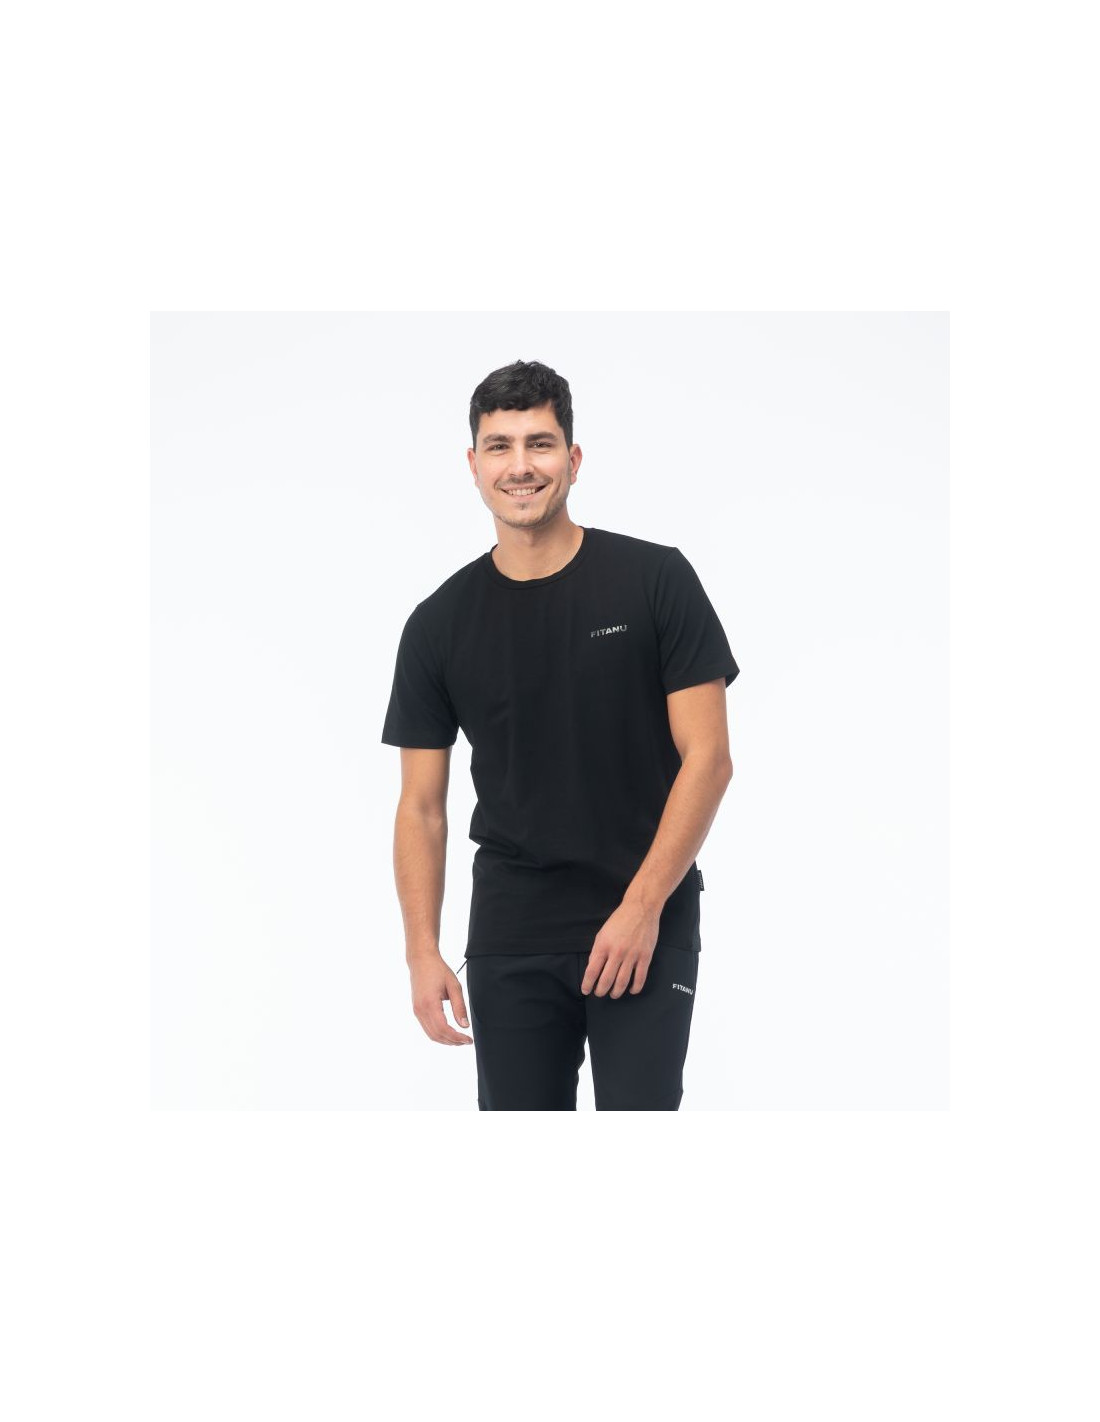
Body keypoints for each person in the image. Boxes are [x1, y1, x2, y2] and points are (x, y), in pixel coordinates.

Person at [381, 359, 739, 1110]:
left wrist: (641, 908)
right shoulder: (438, 624)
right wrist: (421, 952)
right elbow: (421, 806)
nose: (520, 466)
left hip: (646, 917)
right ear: (473, 464)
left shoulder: (654, 580)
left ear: (573, 459)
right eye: (500, 446)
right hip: (512, 931)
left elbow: (708, 759)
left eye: (539, 444)